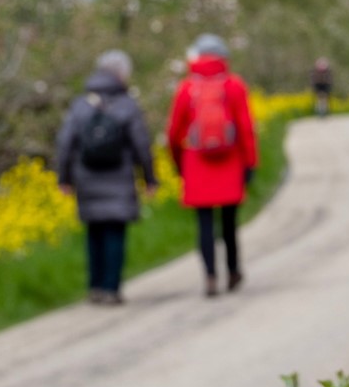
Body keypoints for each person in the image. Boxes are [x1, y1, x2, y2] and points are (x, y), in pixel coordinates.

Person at [56, 50, 158, 306]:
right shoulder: (127, 104)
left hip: (87, 178)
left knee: (94, 232)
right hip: (119, 178)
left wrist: (64, 178)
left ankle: (95, 287)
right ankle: (112, 288)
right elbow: (141, 144)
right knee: (115, 232)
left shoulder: (81, 104)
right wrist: (149, 177)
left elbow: (65, 143)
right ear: (123, 74)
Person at [166, 34, 258, 297]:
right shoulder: (234, 86)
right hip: (230, 163)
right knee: (229, 222)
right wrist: (250, 164)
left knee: (204, 223)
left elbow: (173, 132)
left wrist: (178, 163)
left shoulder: (186, 88)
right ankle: (233, 270)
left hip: (196, 163)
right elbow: (246, 128)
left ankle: (209, 277)